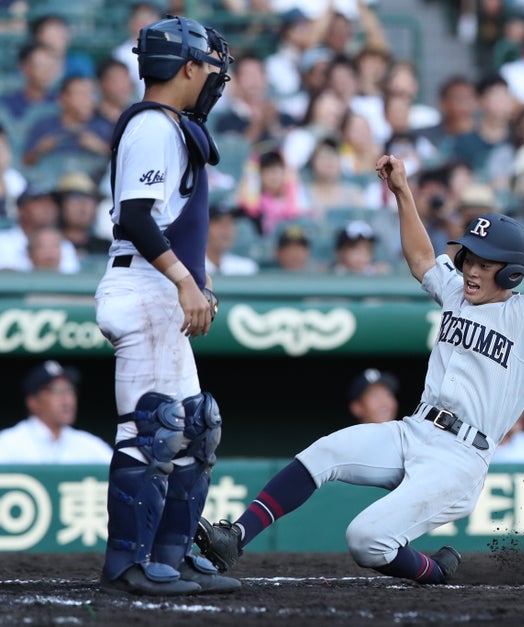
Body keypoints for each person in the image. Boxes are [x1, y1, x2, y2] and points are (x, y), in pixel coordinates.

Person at [194, 155, 524, 584]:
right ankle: (234, 537)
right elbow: (421, 258)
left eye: (485, 264)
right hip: (414, 429)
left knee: (365, 540)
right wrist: (403, 192)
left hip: (461, 458)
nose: (470, 269)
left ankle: (434, 572)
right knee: (322, 453)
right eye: (469, 258)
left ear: (512, 272)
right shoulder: (457, 295)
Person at [93, 15, 241, 596]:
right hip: (143, 288)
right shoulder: (154, 124)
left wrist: (191, 283)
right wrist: (184, 281)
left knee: (196, 430)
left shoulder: (170, 125)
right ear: (186, 68)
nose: (214, 79)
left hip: (160, 290)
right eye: (209, 68)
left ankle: (170, 557)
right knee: (155, 431)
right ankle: (128, 565)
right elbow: (135, 216)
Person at [0, 360, 113, 463]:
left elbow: (120, 476)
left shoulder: (89, 445)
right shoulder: (8, 443)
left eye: (69, 390)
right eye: (57, 391)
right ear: (32, 401)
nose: (67, 400)